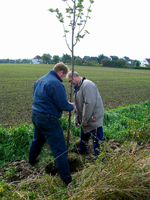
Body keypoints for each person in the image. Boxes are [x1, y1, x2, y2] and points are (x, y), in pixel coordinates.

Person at [29, 62, 74, 185]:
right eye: (63, 77)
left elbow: (44, 99)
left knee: (37, 140)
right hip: (49, 120)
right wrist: (72, 106)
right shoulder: (56, 84)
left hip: (36, 116)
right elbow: (63, 105)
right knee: (60, 149)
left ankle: (31, 160)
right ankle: (67, 180)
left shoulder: (39, 80)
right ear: (61, 72)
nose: (63, 79)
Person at [66, 71, 104, 157]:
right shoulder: (77, 88)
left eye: (70, 81)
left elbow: (89, 103)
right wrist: (76, 119)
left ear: (74, 76)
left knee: (97, 139)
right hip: (86, 118)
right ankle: (82, 150)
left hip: (94, 117)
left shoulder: (87, 85)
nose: (70, 84)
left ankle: (100, 157)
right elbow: (77, 105)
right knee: (83, 135)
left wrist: (85, 120)